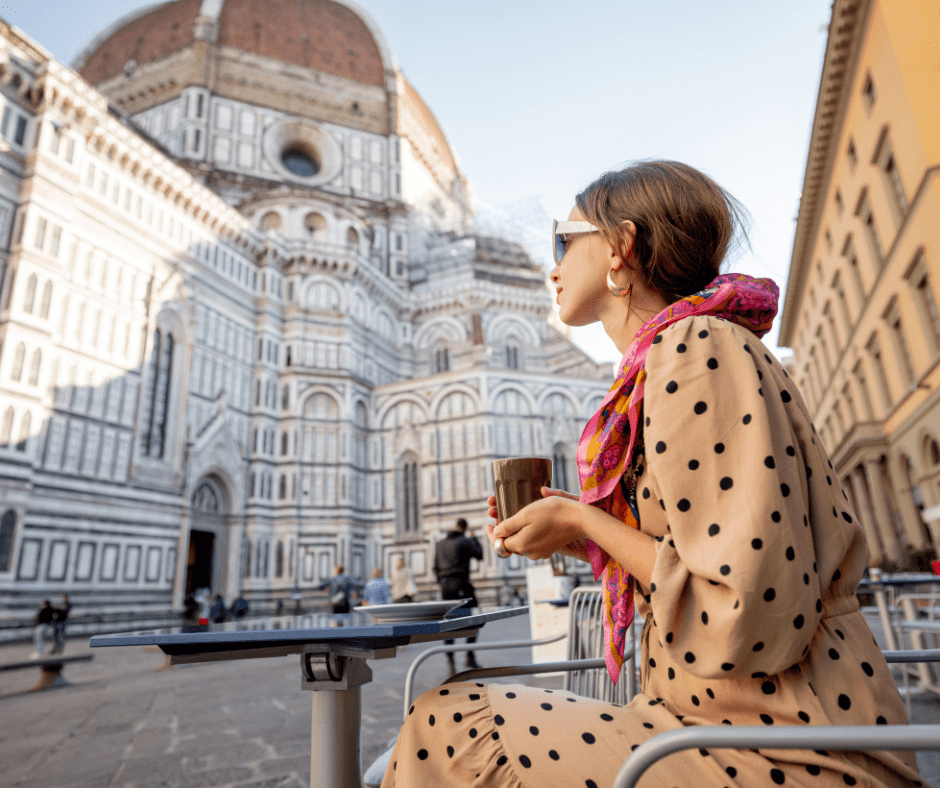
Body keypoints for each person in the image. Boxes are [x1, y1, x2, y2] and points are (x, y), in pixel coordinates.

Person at [381, 161, 923, 788]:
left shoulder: (696, 349)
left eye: (564, 238)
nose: (551, 265)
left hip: (791, 745)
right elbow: (702, 554)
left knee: (454, 722)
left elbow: (747, 612)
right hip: (709, 723)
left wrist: (585, 518)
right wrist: (579, 531)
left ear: (620, 246)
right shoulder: (672, 361)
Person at [433, 517, 483, 673]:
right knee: (474, 619)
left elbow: (435, 568)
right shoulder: (465, 540)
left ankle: (450, 662)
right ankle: (469, 655)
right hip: (461, 584)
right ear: (465, 528)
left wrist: (442, 582)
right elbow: (480, 555)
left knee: (448, 624)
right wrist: (475, 539)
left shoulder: (440, 544)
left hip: (445, 588)